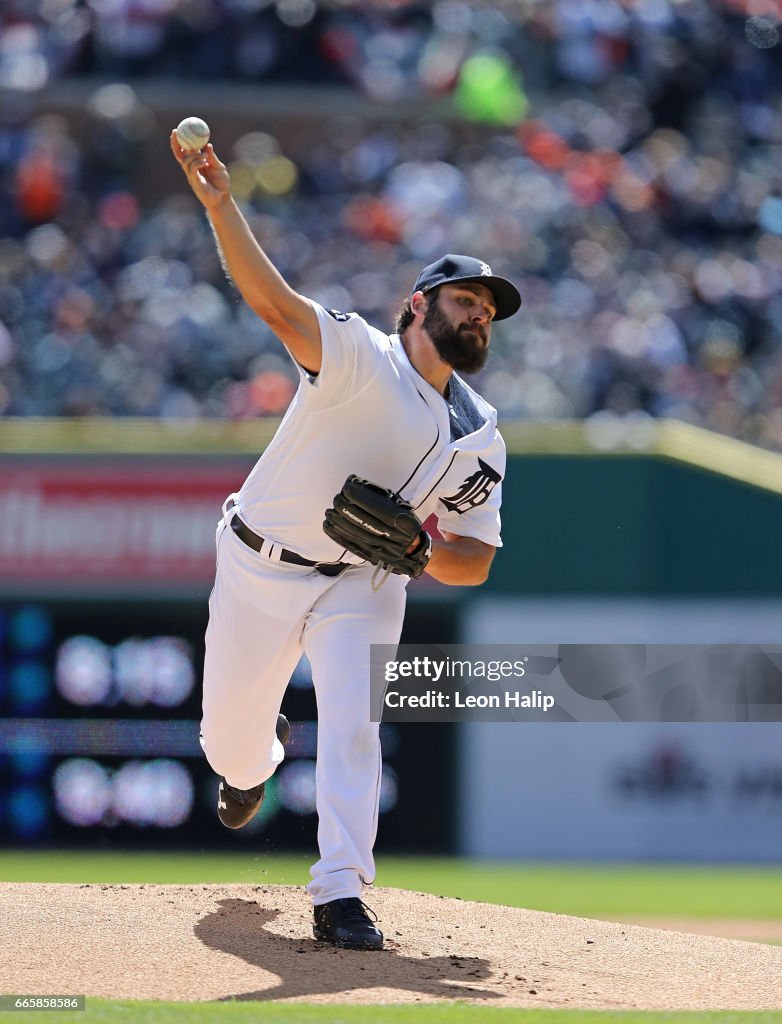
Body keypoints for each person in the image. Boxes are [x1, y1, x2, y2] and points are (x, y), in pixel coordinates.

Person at [170, 130, 522, 951]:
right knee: (228, 743)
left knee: (356, 718)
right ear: (419, 305)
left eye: (489, 310)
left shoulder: (482, 437)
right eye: (466, 300)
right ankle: (255, 760)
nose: (480, 315)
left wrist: (425, 555)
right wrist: (223, 207)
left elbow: (475, 560)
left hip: (365, 579)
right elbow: (274, 304)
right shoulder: (359, 353)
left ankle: (339, 892)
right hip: (260, 558)